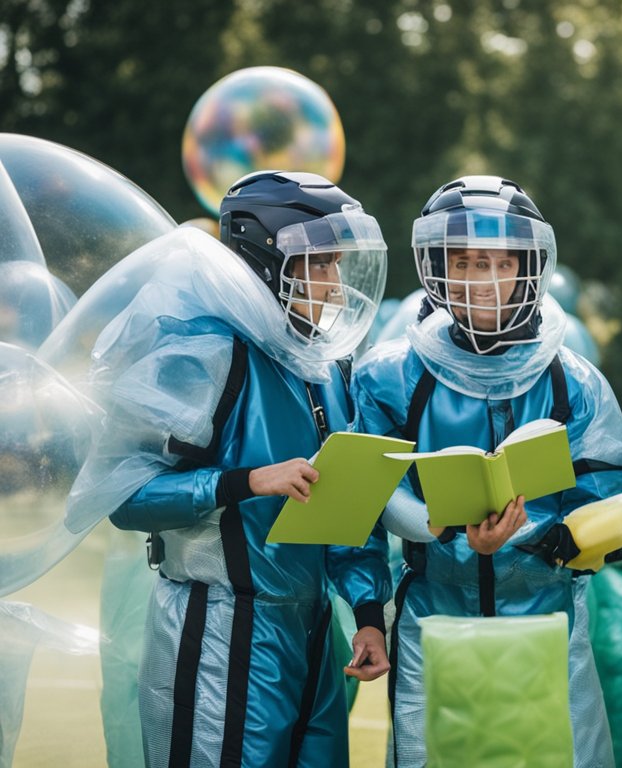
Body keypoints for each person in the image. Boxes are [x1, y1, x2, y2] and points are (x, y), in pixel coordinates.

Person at [66, 170, 394, 766]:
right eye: (320, 264)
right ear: (268, 259)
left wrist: (368, 615)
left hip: (315, 632)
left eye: (339, 265)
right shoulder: (205, 350)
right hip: (222, 628)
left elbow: (349, 507)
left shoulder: (327, 366)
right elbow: (124, 499)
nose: (336, 284)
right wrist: (243, 482)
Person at [350, 175, 622, 768]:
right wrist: (378, 604)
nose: (485, 280)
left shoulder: (573, 380)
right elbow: (362, 512)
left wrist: (559, 541)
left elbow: (611, 502)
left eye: (502, 262)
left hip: (549, 620)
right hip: (433, 621)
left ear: (531, 267)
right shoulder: (387, 376)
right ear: (435, 267)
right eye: (468, 263)